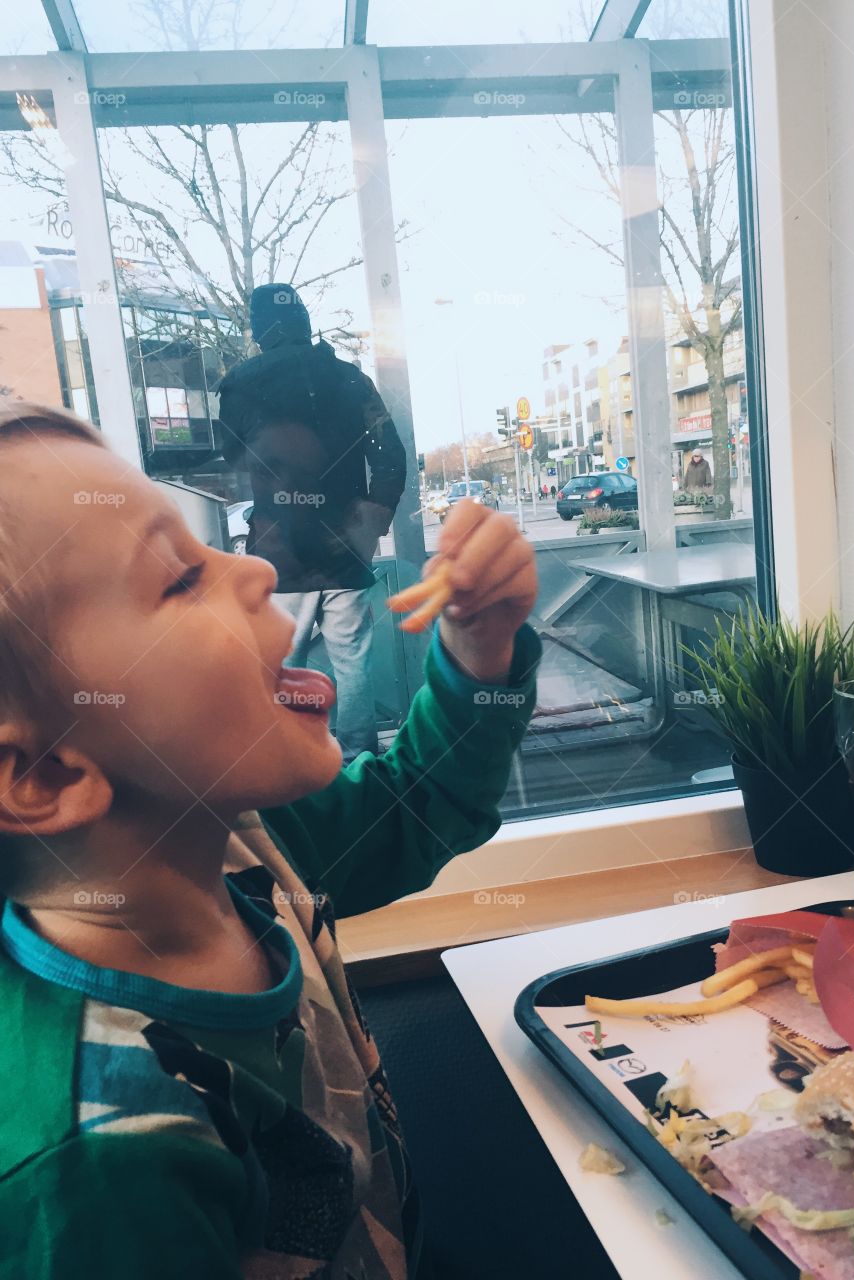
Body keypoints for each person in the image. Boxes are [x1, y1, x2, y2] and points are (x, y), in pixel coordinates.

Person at [0, 399, 540, 1279]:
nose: (251, 568)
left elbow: (421, 801)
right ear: (48, 776)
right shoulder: (93, 1170)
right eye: (179, 577)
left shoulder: (240, 846)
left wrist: (481, 649)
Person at [217, 284, 407, 761]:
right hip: (346, 546)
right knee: (353, 660)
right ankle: (359, 758)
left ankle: (298, 761)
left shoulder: (241, 383)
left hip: (282, 546)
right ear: (303, 319)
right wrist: (372, 523)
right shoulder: (351, 380)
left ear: (261, 329)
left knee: (284, 665)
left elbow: (233, 455)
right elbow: (390, 456)